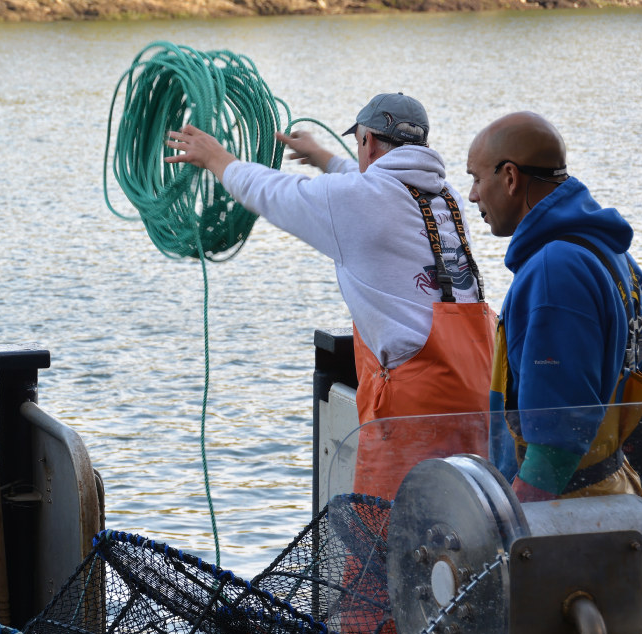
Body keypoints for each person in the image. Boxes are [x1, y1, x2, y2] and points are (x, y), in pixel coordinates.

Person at [166, 93, 496, 500]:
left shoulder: (355, 201)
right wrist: (323, 156)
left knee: (385, 542)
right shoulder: (449, 197)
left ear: (368, 143)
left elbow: (271, 192)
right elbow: (372, 185)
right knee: (463, 528)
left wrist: (216, 158)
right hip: (476, 387)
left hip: (416, 407)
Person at [467, 111, 642, 502]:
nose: (473, 195)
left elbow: (556, 443)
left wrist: (511, 531)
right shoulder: (611, 252)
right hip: (618, 493)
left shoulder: (554, 271)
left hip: (572, 514)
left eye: (476, 178)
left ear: (510, 178)